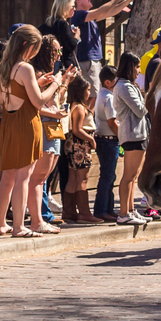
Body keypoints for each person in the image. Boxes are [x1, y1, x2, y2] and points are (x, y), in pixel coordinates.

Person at [0, 25, 72, 237]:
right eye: (36, 48)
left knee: (8, 176)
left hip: (9, 122)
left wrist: (37, 83)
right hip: (26, 123)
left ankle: (2, 224)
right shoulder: (25, 68)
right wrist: (56, 84)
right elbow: (38, 101)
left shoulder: (4, 67)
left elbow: (10, 96)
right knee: (24, 176)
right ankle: (19, 227)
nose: (37, 52)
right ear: (27, 46)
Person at [30, 36, 68, 227]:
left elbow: (54, 100)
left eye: (59, 50)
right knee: (38, 176)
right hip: (43, 124)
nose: (58, 54)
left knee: (46, 176)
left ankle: (42, 214)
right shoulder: (37, 74)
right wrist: (53, 112)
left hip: (54, 124)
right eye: (54, 50)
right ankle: (38, 217)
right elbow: (34, 104)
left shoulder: (51, 73)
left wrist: (65, 81)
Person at [69, 0, 135, 88]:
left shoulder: (88, 17)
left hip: (92, 60)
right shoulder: (78, 14)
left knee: (93, 95)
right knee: (91, 96)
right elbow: (100, 11)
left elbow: (112, 11)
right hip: (87, 61)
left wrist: (127, 0)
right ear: (78, 1)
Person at [111, 52, 150, 225]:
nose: (138, 70)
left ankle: (131, 210)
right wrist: (150, 96)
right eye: (136, 66)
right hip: (132, 134)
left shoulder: (129, 85)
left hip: (139, 133)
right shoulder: (123, 86)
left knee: (134, 176)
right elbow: (140, 110)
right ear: (129, 67)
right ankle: (124, 213)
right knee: (128, 175)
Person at [62, 78, 101, 223]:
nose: (89, 93)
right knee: (81, 179)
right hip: (79, 145)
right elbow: (77, 129)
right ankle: (84, 212)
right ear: (81, 91)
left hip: (75, 145)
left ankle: (69, 211)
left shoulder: (76, 105)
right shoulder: (78, 107)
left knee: (73, 178)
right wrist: (90, 139)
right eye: (88, 90)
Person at [92, 66, 120, 222]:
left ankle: (108, 208)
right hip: (108, 140)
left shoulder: (102, 95)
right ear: (108, 82)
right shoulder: (108, 97)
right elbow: (112, 122)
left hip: (105, 140)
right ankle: (101, 210)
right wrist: (122, 137)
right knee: (107, 177)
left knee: (109, 176)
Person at [39, 0, 80, 69]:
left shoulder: (46, 24)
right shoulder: (63, 24)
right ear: (65, 7)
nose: (75, 9)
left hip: (47, 63)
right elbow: (71, 46)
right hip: (65, 64)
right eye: (72, 6)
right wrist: (76, 36)